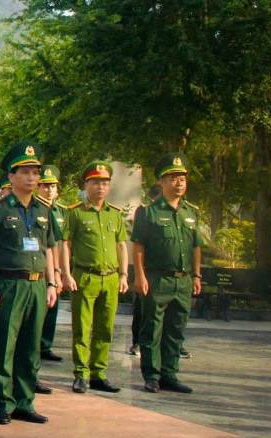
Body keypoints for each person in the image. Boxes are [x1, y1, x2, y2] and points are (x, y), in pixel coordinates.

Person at [0, 141, 59, 425]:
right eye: (25, 172)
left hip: (37, 285)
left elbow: (48, 248)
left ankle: (25, 402)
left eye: (35, 172)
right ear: (11, 176)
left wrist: (52, 283)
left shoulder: (44, 210)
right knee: (6, 347)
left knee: (30, 347)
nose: (32, 177)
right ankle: (3, 403)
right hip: (8, 284)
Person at [133, 154, 203, 394]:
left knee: (175, 329)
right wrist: (140, 276)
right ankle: (151, 376)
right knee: (152, 328)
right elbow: (139, 247)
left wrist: (196, 276)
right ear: (161, 182)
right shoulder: (148, 212)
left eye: (182, 178)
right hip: (156, 279)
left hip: (182, 281)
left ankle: (169, 375)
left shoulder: (191, 213)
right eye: (173, 178)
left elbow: (196, 246)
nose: (179, 183)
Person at [66, 161, 129, 394]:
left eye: (104, 183)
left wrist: (124, 274)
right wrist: (66, 273)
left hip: (111, 278)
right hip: (85, 276)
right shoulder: (77, 213)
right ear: (86, 185)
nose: (100, 187)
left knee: (105, 329)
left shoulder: (115, 214)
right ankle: (80, 374)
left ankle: (98, 374)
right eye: (95, 183)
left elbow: (122, 246)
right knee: (82, 328)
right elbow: (67, 244)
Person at [38, 165, 72, 366]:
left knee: (52, 308)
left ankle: (45, 345)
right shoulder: (36, 209)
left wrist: (60, 271)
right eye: (45, 186)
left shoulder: (62, 212)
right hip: (38, 267)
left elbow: (62, 243)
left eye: (53, 186)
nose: (49, 190)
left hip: (54, 268)